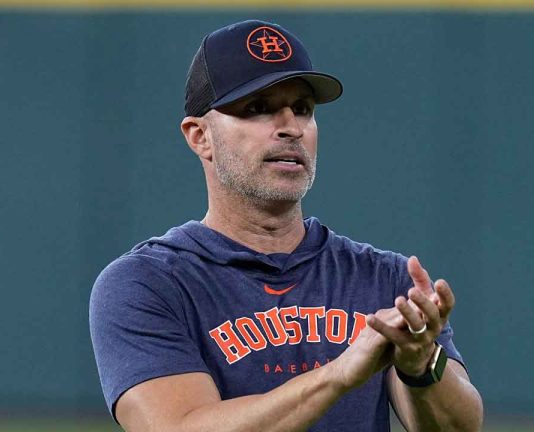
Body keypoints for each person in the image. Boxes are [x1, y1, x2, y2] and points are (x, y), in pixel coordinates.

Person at [89, 19, 483, 432]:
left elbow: (458, 427)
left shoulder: (383, 279)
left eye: (303, 109)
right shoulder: (146, 284)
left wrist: (421, 365)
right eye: (258, 108)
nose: (290, 127)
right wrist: (337, 374)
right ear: (199, 136)